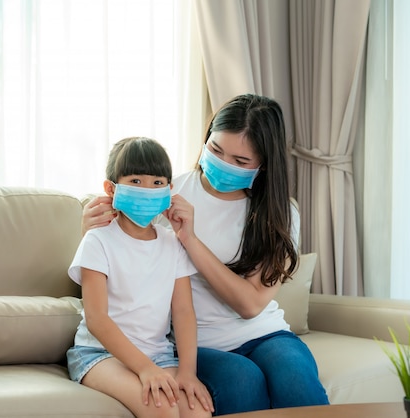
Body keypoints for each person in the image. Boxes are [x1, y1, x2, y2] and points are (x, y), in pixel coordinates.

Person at [82, 94, 330, 415]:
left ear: (264, 164)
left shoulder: (281, 213)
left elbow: (250, 305)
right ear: (207, 136)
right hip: (195, 343)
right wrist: (90, 230)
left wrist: (190, 239)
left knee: (296, 379)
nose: (223, 165)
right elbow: (118, 257)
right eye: (215, 150)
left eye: (240, 162)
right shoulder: (167, 195)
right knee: (242, 380)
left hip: (265, 333)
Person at [66, 137, 214, 418]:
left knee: (197, 411)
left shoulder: (172, 243)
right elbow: (97, 320)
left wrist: (187, 372)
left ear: (170, 190)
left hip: (159, 355)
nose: (147, 189)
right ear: (111, 189)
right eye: (135, 181)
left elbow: (183, 312)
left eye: (157, 183)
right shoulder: (97, 241)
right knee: (163, 409)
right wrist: (145, 369)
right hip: (99, 354)